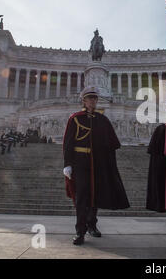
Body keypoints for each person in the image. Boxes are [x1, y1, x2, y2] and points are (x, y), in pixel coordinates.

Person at [63, 86, 130, 246]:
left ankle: (92, 225)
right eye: (89, 98)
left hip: (98, 162)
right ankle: (80, 231)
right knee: (81, 197)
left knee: (94, 195)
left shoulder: (102, 120)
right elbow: (68, 142)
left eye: (94, 98)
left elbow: (113, 142)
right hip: (80, 162)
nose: (92, 101)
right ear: (84, 101)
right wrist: (67, 164)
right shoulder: (75, 118)